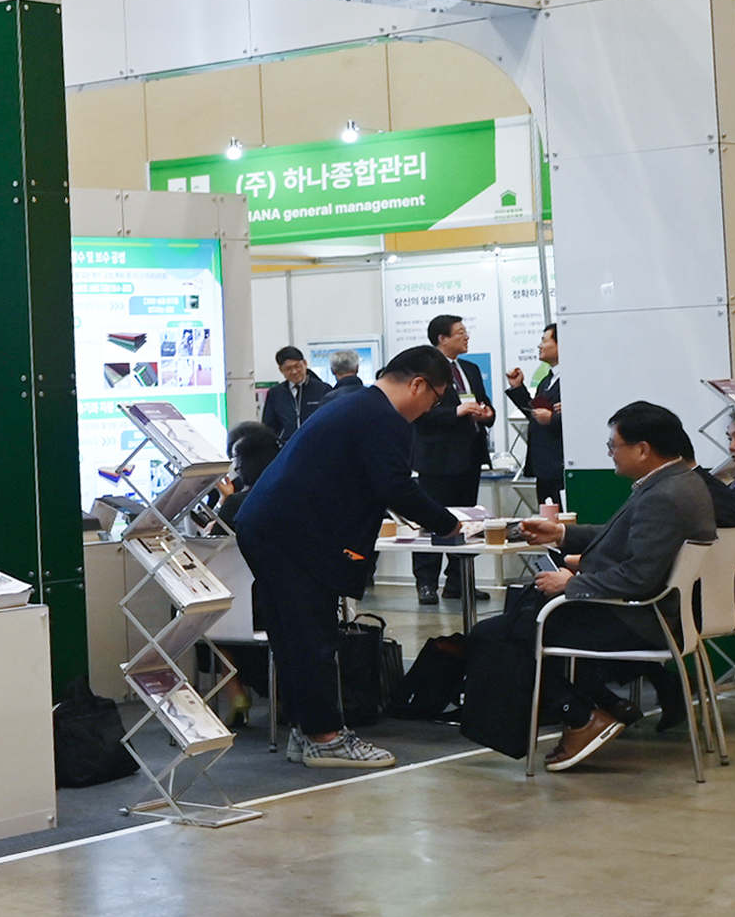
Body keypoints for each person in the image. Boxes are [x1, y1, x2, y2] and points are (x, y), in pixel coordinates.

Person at [229, 346, 465, 768]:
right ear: (417, 385)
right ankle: (326, 737)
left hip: (268, 526)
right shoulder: (383, 418)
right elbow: (394, 485)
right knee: (312, 635)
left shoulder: (356, 404)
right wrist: (447, 524)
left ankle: (306, 730)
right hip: (292, 535)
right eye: (434, 399)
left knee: (291, 636)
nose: (429, 410)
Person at [523, 401, 722, 771]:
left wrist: (573, 584)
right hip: (656, 614)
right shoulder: (676, 482)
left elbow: (637, 577)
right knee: (518, 618)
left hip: (640, 620)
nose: (610, 453)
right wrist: (562, 534)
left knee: (510, 634)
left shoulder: (663, 495)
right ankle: (604, 707)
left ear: (642, 449)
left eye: (613, 446)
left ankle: (583, 717)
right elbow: (623, 537)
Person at [409, 314, 498, 603]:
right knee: (431, 520)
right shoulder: (424, 370)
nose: (466, 336)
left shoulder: (470, 369)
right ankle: (426, 583)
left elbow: (483, 403)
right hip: (437, 460)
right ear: (442, 338)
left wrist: (487, 414)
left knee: (467, 522)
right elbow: (419, 414)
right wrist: (455, 412)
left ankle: (459, 582)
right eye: (460, 332)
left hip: (470, 457)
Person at [505, 323, 564, 507]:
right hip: (544, 466)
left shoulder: (573, 379)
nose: (539, 346)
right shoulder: (546, 381)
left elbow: (582, 417)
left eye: (544, 340)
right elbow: (535, 415)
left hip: (561, 465)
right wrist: (518, 388)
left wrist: (553, 419)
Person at [262, 348, 329, 439]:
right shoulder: (275, 393)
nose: (294, 372)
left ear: (305, 363)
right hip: (286, 444)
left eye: (297, 366)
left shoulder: (323, 389)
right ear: (281, 370)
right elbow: (269, 426)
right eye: (288, 369)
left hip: (316, 442)